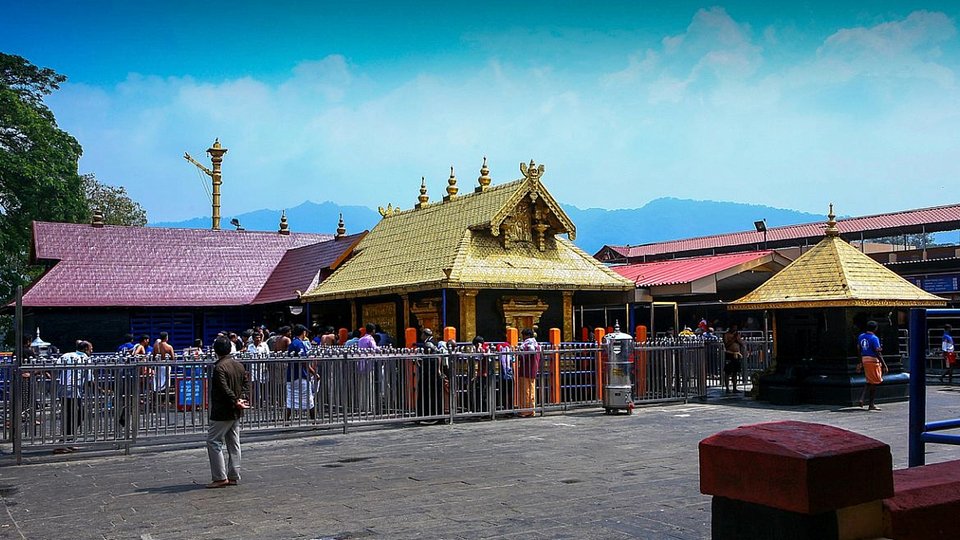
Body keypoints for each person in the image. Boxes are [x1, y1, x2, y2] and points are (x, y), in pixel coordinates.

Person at [206, 335, 249, 488]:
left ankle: (219, 477)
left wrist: (235, 399)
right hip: (236, 410)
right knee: (234, 443)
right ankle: (233, 475)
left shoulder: (219, 367)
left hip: (222, 410)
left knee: (213, 441)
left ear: (215, 351)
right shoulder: (239, 365)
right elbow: (245, 385)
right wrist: (241, 399)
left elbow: (224, 389)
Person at [54, 340, 92, 454]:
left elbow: (56, 367)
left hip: (63, 386)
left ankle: (68, 440)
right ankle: (64, 442)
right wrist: (101, 390)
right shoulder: (85, 359)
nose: (92, 351)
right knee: (77, 415)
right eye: (91, 348)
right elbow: (89, 379)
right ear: (85, 349)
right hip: (73, 388)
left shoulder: (66, 355)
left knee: (71, 415)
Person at [285, 324, 317, 421]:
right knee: (309, 400)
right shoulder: (299, 344)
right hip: (300, 376)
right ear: (303, 332)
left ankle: (286, 421)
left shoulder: (292, 343)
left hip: (291, 376)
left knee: (290, 400)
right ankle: (314, 421)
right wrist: (314, 373)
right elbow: (304, 362)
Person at [857, 320, 888, 411]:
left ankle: (862, 398)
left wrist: (860, 362)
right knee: (874, 381)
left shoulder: (861, 336)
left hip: (864, 359)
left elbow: (858, 349)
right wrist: (884, 364)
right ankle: (871, 403)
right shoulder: (874, 338)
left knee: (870, 380)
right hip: (873, 360)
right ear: (875, 329)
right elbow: (878, 352)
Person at [517, 328, 541, 418]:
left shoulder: (527, 344)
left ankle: (525, 410)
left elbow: (527, 354)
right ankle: (531, 409)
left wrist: (520, 354)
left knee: (525, 391)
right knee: (531, 390)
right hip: (533, 370)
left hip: (525, 370)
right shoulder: (536, 344)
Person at [723, 325, 744, 393]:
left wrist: (738, 340)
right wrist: (733, 339)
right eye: (734, 328)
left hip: (737, 354)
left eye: (736, 328)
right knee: (728, 372)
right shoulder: (726, 335)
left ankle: (735, 388)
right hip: (729, 354)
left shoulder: (737, 335)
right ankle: (727, 388)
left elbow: (742, 343)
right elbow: (726, 345)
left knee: (735, 372)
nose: (735, 329)